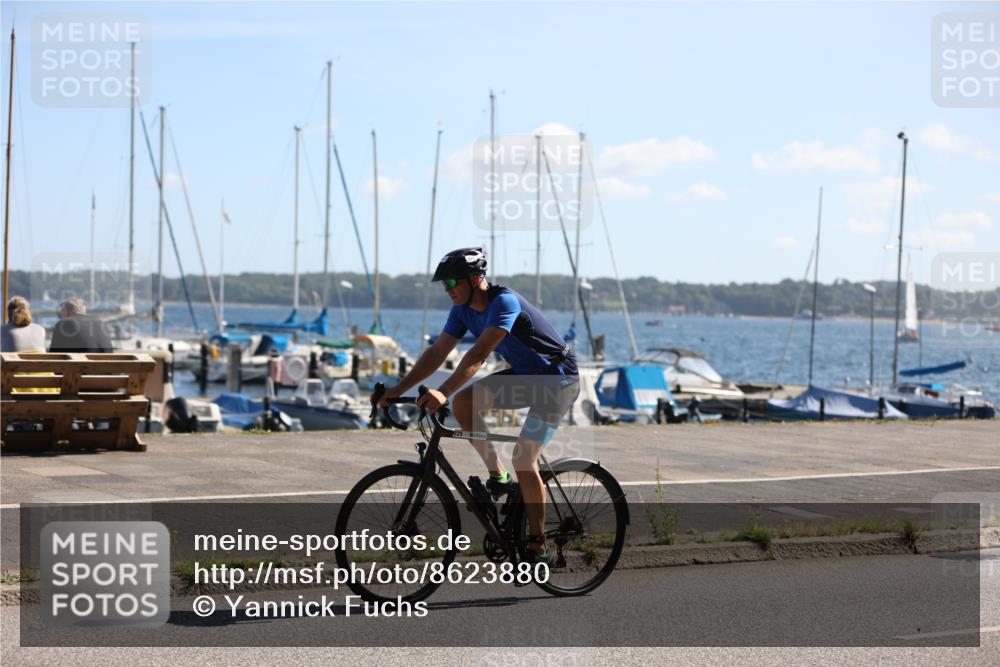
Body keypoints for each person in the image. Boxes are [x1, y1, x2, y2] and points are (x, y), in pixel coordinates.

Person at [376, 247, 579, 565]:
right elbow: (437, 352)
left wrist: (443, 391)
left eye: (451, 282)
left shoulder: (504, 302)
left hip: (557, 382)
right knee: (465, 403)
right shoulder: (462, 310)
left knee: (524, 458)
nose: (447, 289)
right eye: (443, 284)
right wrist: (397, 389)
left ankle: (539, 546)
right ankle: (499, 476)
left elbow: (479, 354)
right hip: (526, 378)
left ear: (474, 279)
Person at [49, 297, 114, 353]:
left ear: (66, 311)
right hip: (106, 363)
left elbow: (53, 355)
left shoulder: (63, 324)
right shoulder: (102, 323)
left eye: (62, 310)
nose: (60, 315)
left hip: (80, 363)